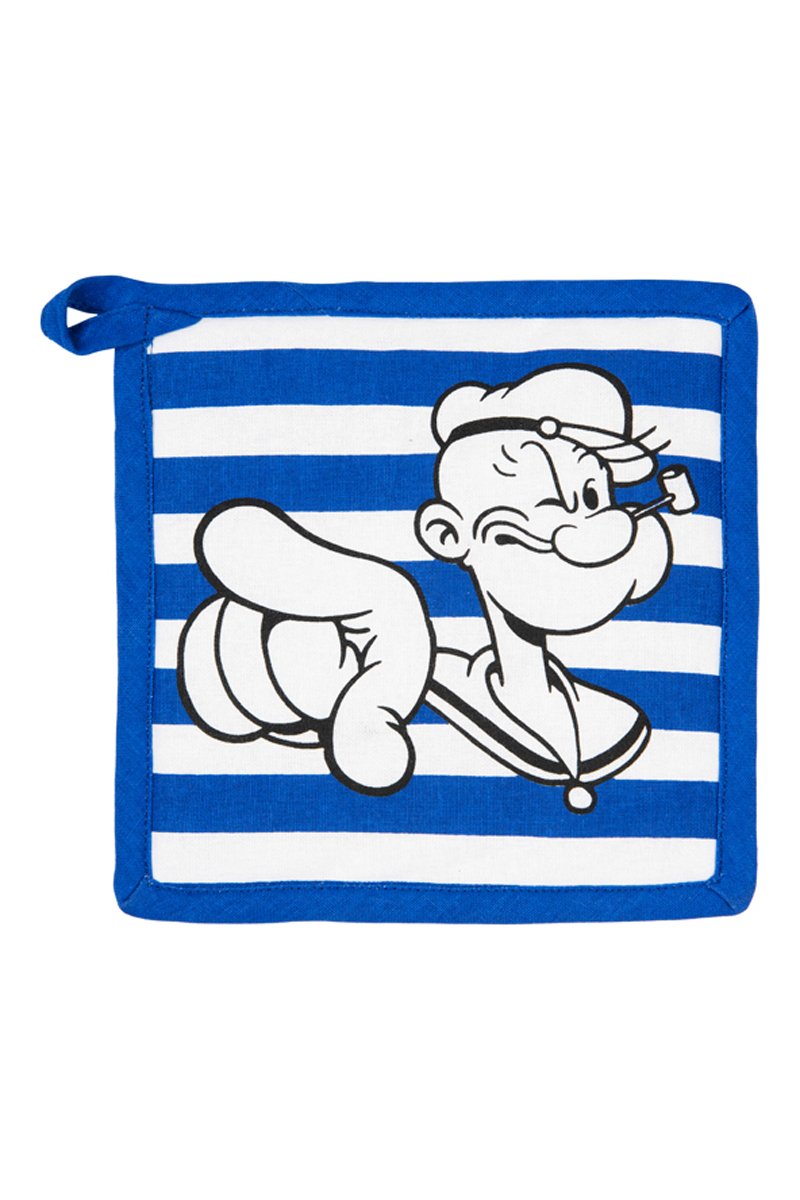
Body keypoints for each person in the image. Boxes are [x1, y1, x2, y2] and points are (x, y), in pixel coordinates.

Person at [178, 364, 678, 811]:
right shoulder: (410, 670)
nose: (598, 527)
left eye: (592, 496)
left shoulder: (617, 719)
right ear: (449, 535)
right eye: (544, 506)